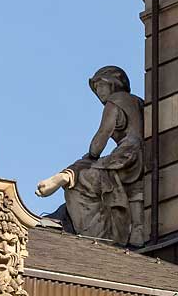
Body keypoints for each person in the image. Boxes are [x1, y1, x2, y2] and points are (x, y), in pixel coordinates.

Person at [35, 66, 146, 244]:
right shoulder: (138, 101)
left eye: (101, 85)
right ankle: (66, 175)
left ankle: (65, 178)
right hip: (141, 156)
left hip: (127, 156)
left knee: (82, 179)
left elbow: (100, 140)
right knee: (87, 168)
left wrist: (90, 155)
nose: (99, 91)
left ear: (114, 85)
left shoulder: (115, 101)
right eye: (96, 88)